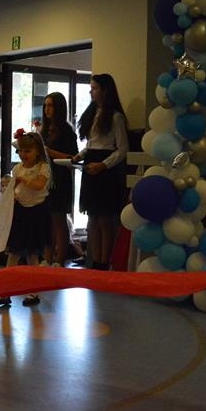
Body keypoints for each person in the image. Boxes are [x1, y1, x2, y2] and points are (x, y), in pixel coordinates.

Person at [74, 73, 128, 270]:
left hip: (106, 170)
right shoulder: (93, 113)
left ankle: (105, 262)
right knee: (92, 218)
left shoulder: (116, 117)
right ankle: (95, 259)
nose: (91, 92)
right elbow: (92, 144)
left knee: (105, 219)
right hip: (91, 164)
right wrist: (79, 156)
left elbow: (122, 149)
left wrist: (104, 165)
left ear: (105, 91)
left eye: (95, 88)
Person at [0, 131, 51, 307]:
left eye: (27, 151)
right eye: (21, 151)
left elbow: (39, 185)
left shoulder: (43, 167)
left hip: (36, 212)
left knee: (32, 254)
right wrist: (11, 197)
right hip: (20, 211)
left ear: (37, 151)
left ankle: (33, 292)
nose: (23, 154)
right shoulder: (17, 169)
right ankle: (5, 291)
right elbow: (14, 189)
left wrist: (23, 180)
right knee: (13, 252)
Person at [41, 92, 79, 267]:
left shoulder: (67, 131)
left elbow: (73, 157)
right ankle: (47, 258)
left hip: (61, 179)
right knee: (47, 221)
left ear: (59, 108)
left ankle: (59, 259)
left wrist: (49, 152)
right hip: (46, 179)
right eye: (45, 105)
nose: (47, 109)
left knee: (59, 220)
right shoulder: (44, 130)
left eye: (50, 105)